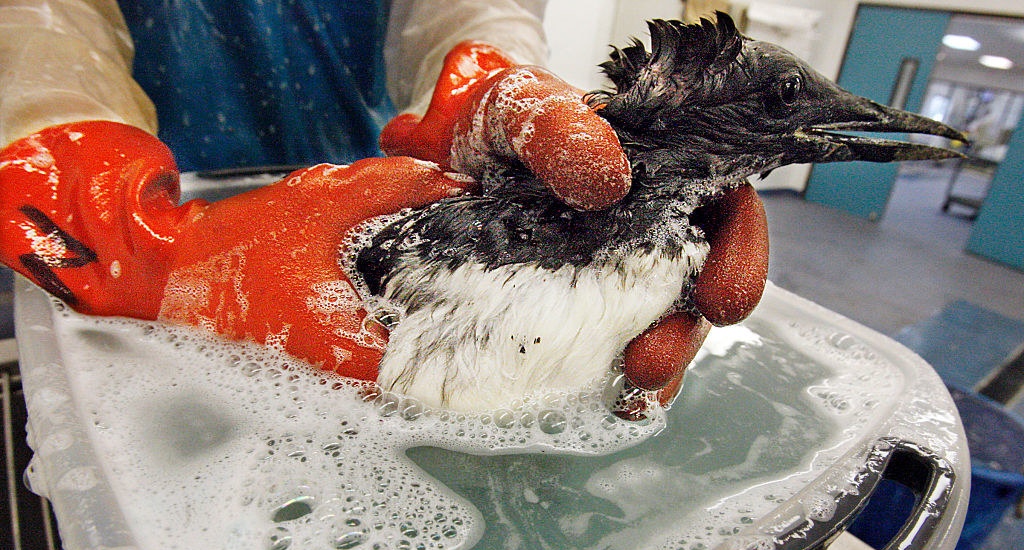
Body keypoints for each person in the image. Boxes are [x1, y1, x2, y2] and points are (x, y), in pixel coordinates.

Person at [0, 0, 769, 409]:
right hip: (155, 170)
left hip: (370, 187)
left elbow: (469, 7)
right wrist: (126, 235)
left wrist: (489, 85)